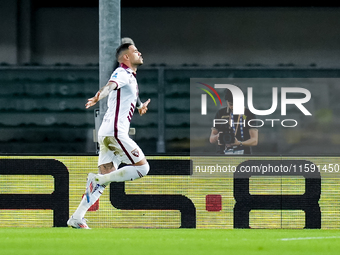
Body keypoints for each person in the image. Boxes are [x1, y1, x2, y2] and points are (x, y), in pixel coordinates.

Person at [67, 43, 151, 229]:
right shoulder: (121, 73)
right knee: (143, 168)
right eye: (135, 51)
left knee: (103, 179)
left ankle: (76, 218)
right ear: (126, 57)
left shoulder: (129, 76)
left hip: (107, 132)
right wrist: (99, 96)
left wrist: (139, 106)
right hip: (115, 133)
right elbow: (110, 86)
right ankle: (98, 179)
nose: (140, 52)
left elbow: (127, 92)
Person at [209, 89, 258, 154]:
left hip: (243, 153)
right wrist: (217, 137)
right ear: (227, 102)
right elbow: (211, 139)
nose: (233, 107)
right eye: (231, 104)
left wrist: (240, 143)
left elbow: (254, 140)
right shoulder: (220, 114)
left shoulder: (248, 114)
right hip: (222, 153)